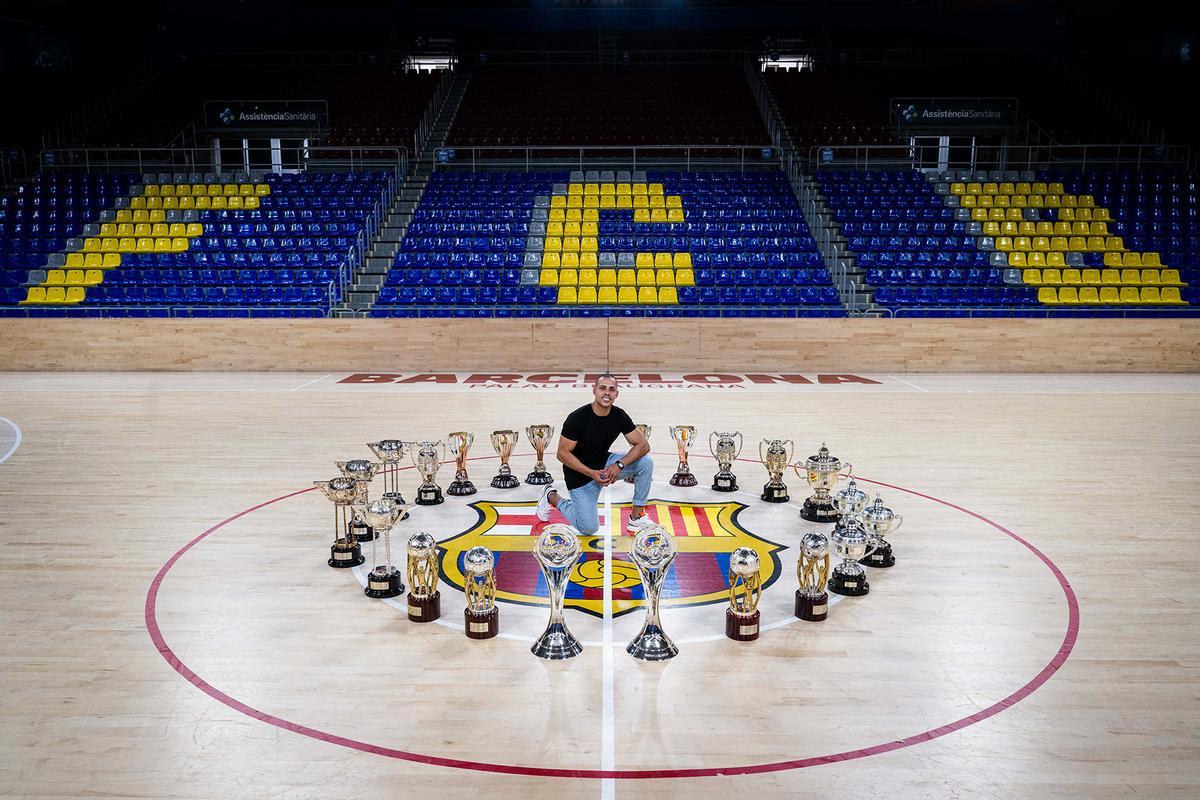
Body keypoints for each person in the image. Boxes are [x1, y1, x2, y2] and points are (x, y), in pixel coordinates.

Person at [535, 373, 653, 535]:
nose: (607, 393)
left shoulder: (619, 415)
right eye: (602, 388)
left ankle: (637, 517)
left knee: (645, 462)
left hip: (605, 466)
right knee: (589, 528)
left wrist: (618, 465)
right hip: (579, 476)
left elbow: (643, 445)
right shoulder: (577, 418)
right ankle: (551, 496)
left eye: (612, 389)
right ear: (594, 390)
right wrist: (591, 473)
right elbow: (562, 454)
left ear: (616, 394)